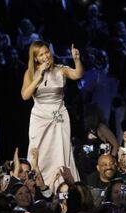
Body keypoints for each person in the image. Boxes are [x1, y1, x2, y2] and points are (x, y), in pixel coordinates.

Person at [21, 40, 83, 183]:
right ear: (35, 58)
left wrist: (77, 60)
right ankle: (38, 184)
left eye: (47, 52)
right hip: (39, 116)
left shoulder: (60, 69)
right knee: (39, 151)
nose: (45, 56)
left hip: (58, 114)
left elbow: (77, 75)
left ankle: (63, 184)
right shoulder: (30, 73)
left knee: (60, 149)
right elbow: (25, 96)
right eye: (41, 54)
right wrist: (38, 77)